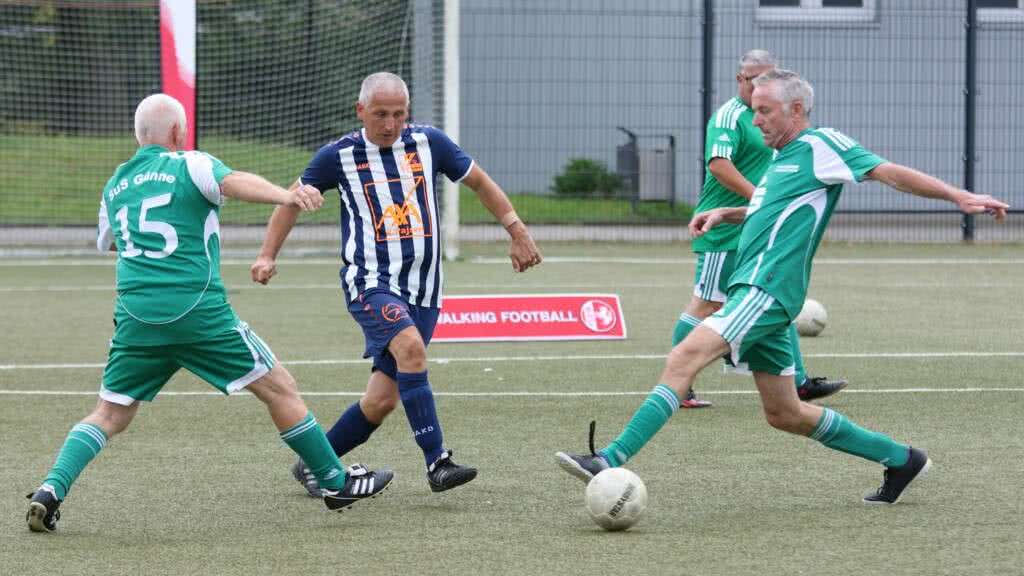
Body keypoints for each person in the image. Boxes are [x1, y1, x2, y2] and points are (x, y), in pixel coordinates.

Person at [557, 69, 1008, 505]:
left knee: (683, 357)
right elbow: (769, 207)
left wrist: (959, 197)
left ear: (796, 109)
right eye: (754, 110)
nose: (756, 121)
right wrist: (725, 214)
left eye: (765, 111)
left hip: (765, 289)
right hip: (753, 291)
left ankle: (608, 458)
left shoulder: (822, 144)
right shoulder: (780, 160)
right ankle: (902, 459)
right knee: (785, 414)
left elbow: (889, 172)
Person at [25, 94, 394, 533]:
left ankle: (51, 489)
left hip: (136, 315)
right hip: (196, 309)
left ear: (138, 135)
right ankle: (335, 482)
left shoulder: (115, 185)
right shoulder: (191, 164)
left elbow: (114, 245)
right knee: (279, 388)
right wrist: (287, 194)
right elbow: (234, 181)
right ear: (178, 133)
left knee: (109, 413)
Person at [251, 72, 542, 497]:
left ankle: (317, 462)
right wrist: (266, 254)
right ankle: (438, 462)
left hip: (424, 289)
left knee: (381, 401)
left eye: (399, 114)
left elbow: (479, 181)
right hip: (370, 282)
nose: (390, 124)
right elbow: (290, 203)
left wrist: (517, 229)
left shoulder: (430, 143)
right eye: (381, 114)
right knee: (411, 347)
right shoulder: (338, 155)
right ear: (360, 111)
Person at [675, 49, 846, 409]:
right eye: (756, 79)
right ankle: (681, 383)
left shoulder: (769, 115)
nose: (764, 86)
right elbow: (718, 165)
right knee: (706, 303)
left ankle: (797, 382)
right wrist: (762, 199)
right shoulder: (729, 117)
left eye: (771, 78)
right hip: (724, 227)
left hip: (756, 222)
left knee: (769, 291)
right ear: (740, 79)